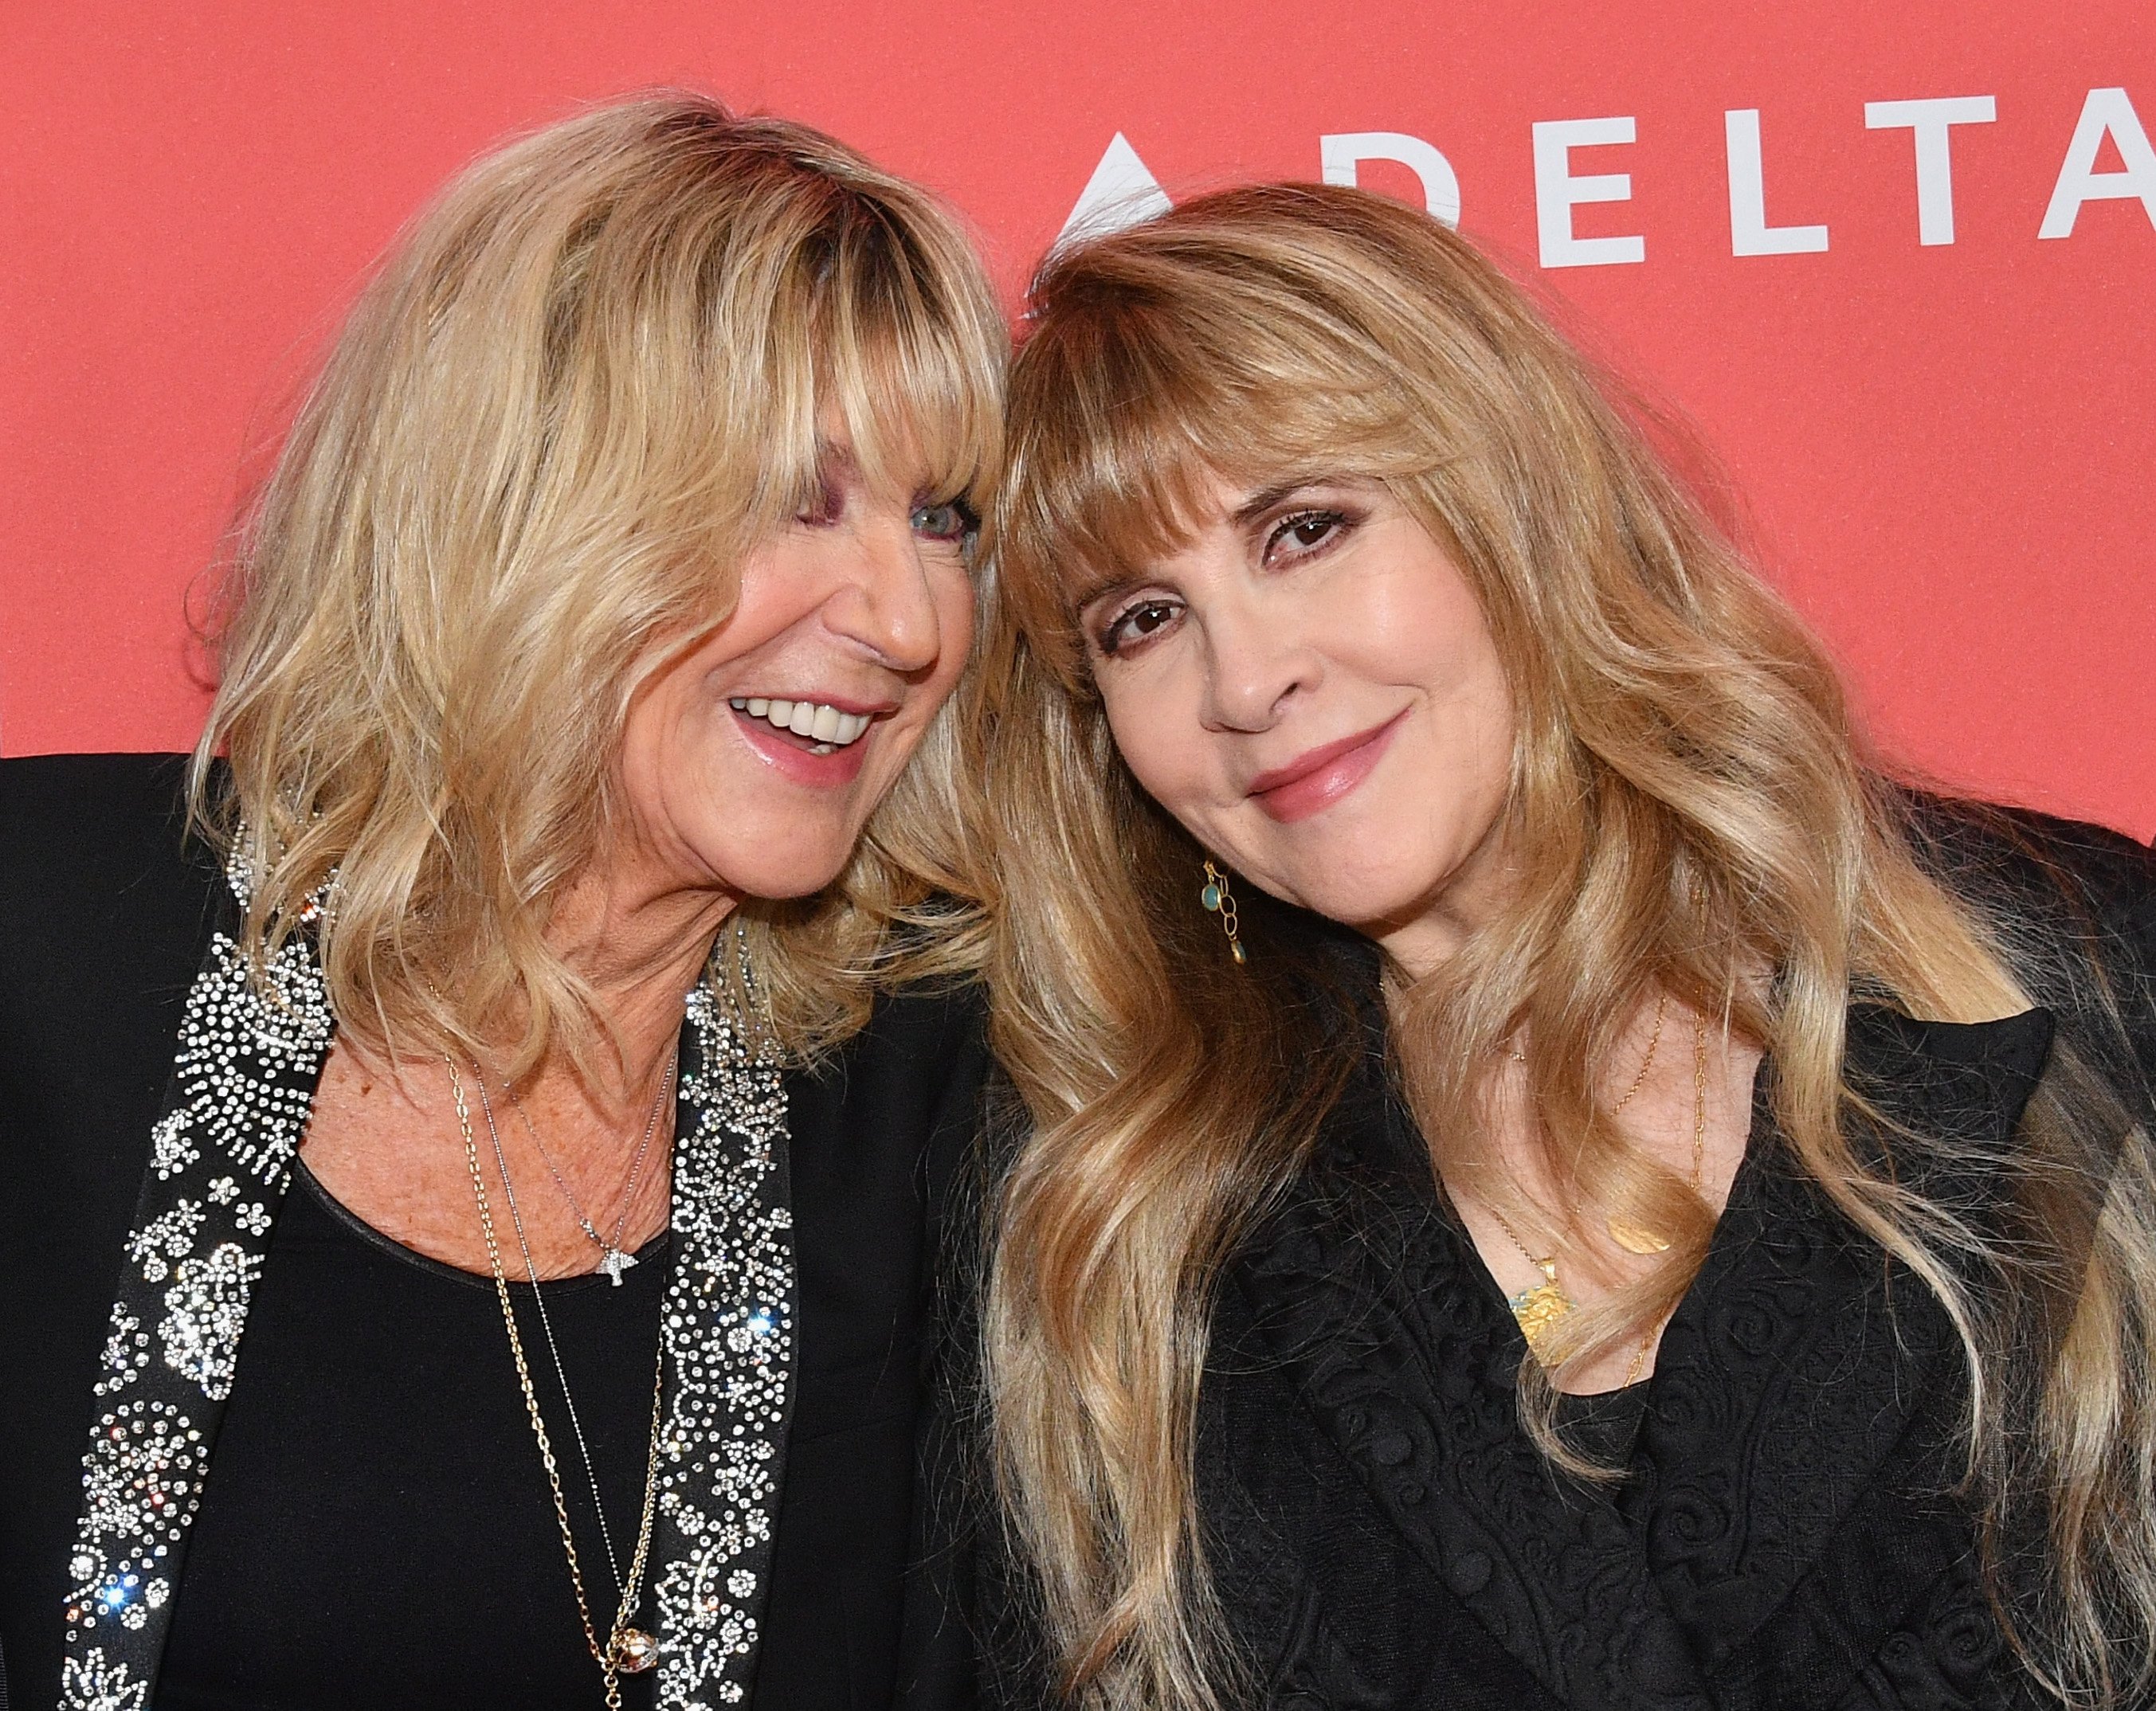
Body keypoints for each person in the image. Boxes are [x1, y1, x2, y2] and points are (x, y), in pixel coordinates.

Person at [966, 182, 2156, 1711]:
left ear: (1511, 499)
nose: (1245, 680)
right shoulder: (1125, 1237)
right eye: (1140, 619)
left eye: (1305, 530)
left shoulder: (2062, 963)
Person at [0, 94, 1005, 1710]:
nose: (903, 618)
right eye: (791, 498)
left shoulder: (932, 1102)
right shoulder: (43, 947)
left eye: (941, 518)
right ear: (519, 500)